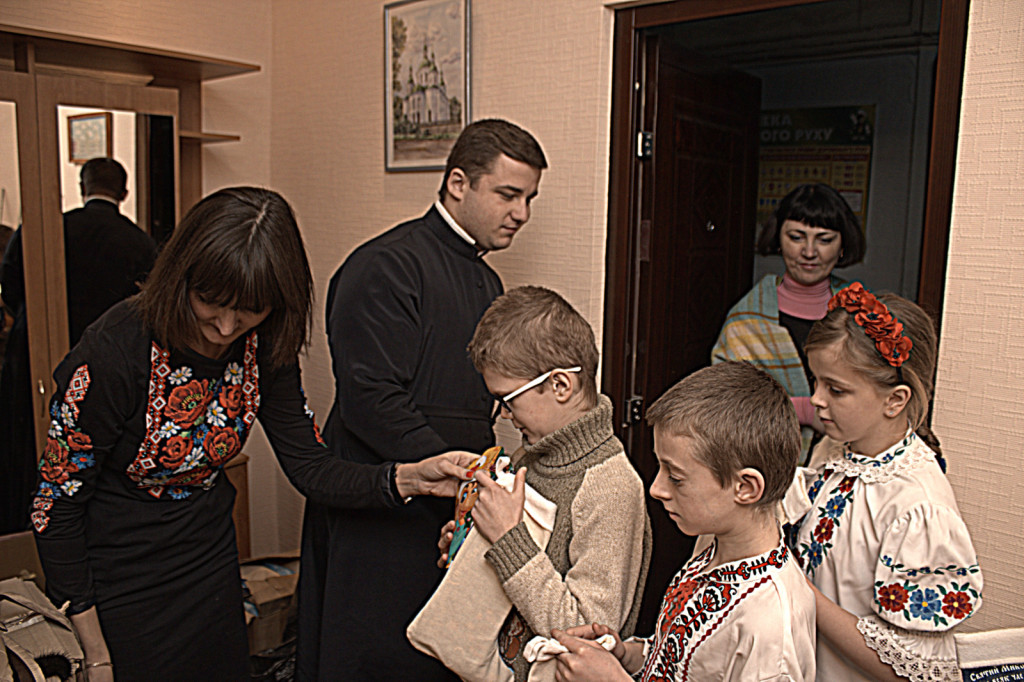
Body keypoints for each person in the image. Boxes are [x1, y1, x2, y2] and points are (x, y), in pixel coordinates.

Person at [29, 187, 473, 682]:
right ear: (181, 277)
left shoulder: (262, 345)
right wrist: (95, 654)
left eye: (248, 309)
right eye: (209, 302)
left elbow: (311, 466)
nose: (225, 327)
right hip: (118, 573)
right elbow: (55, 506)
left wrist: (408, 478)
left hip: (207, 561)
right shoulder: (116, 350)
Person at [297, 119, 548, 681]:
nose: (522, 213)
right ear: (458, 183)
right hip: (383, 497)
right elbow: (371, 400)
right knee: (371, 653)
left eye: (529, 199)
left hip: (450, 500)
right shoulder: (385, 265)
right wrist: (454, 475)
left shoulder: (489, 283)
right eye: (508, 194)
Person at [551, 361, 816, 682]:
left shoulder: (770, 628)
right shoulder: (714, 552)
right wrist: (626, 656)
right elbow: (679, 662)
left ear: (745, 487)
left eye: (675, 477)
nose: (656, 489)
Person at [449, 285, 651, 680]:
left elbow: (586, 634)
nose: (503, 415)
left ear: (560, 385)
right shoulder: (528, 457)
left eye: (508, 400)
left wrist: (507, 540)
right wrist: (470, 544)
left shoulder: (611, 488)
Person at [793, 282, 983, 681]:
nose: (817, 399)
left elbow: (915, 669)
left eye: (836, 389)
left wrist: (799, 591)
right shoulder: (834, 449)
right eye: (816, 382)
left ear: (895, 400)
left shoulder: (919, 507)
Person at [0, 158, 157, 533]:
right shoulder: (139, 242)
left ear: (82, 187)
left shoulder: (42, 229)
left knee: (26, 448)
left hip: (33, 351)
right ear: (124, 193)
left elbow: (11, 285)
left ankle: (22, 527)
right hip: (107, 365)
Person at [712, 183, 865, 461]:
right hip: (767, 463)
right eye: (796, 237)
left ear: (843, 245)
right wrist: (804, 410)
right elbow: (726, 403)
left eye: (824, 240)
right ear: (778, 239)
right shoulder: (745, 320)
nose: (809, 252)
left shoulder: (862, 312)